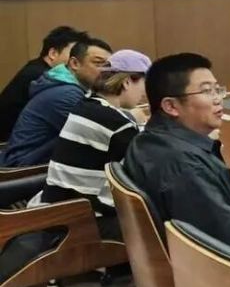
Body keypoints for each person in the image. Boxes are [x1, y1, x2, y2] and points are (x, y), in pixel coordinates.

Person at [124, 53, 230, 257]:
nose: (218, 98)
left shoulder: (146, 140)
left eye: (217, 89)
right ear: (170, 106)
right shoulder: (185, 166)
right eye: (206, 91)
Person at [28, 50, 152, 241]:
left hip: (54, 207)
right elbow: (145, 167)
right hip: (79, 220)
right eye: (144, 84)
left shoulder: (87, 105)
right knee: (156, 221)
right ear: (127, 81)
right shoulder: (117, 125)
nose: (145, 93)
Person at [0, 37, 112, 168]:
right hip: (24, 170)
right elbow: (102, 137)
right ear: (74, 63)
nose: (106, 72)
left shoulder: (66, 87)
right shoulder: (66, 94)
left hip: (32, 164)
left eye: (108, 66)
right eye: (98, 63)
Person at [0, 26, 88, 141]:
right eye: (73, 54)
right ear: (53, 53)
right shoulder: (44, 77)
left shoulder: (36, 68)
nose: (77, 61)